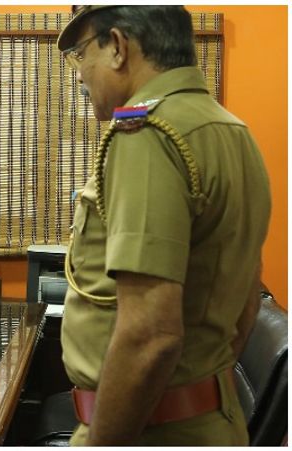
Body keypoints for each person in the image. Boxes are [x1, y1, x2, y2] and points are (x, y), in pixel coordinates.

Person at [57, 6, 270, 446]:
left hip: (145, 430)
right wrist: (198, 386)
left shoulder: (148, 133)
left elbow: (150, 336)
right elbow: (247, 298)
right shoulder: (232, 131)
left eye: (81, 52)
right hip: (210, 424)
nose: (79, 73)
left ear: (118, 47)